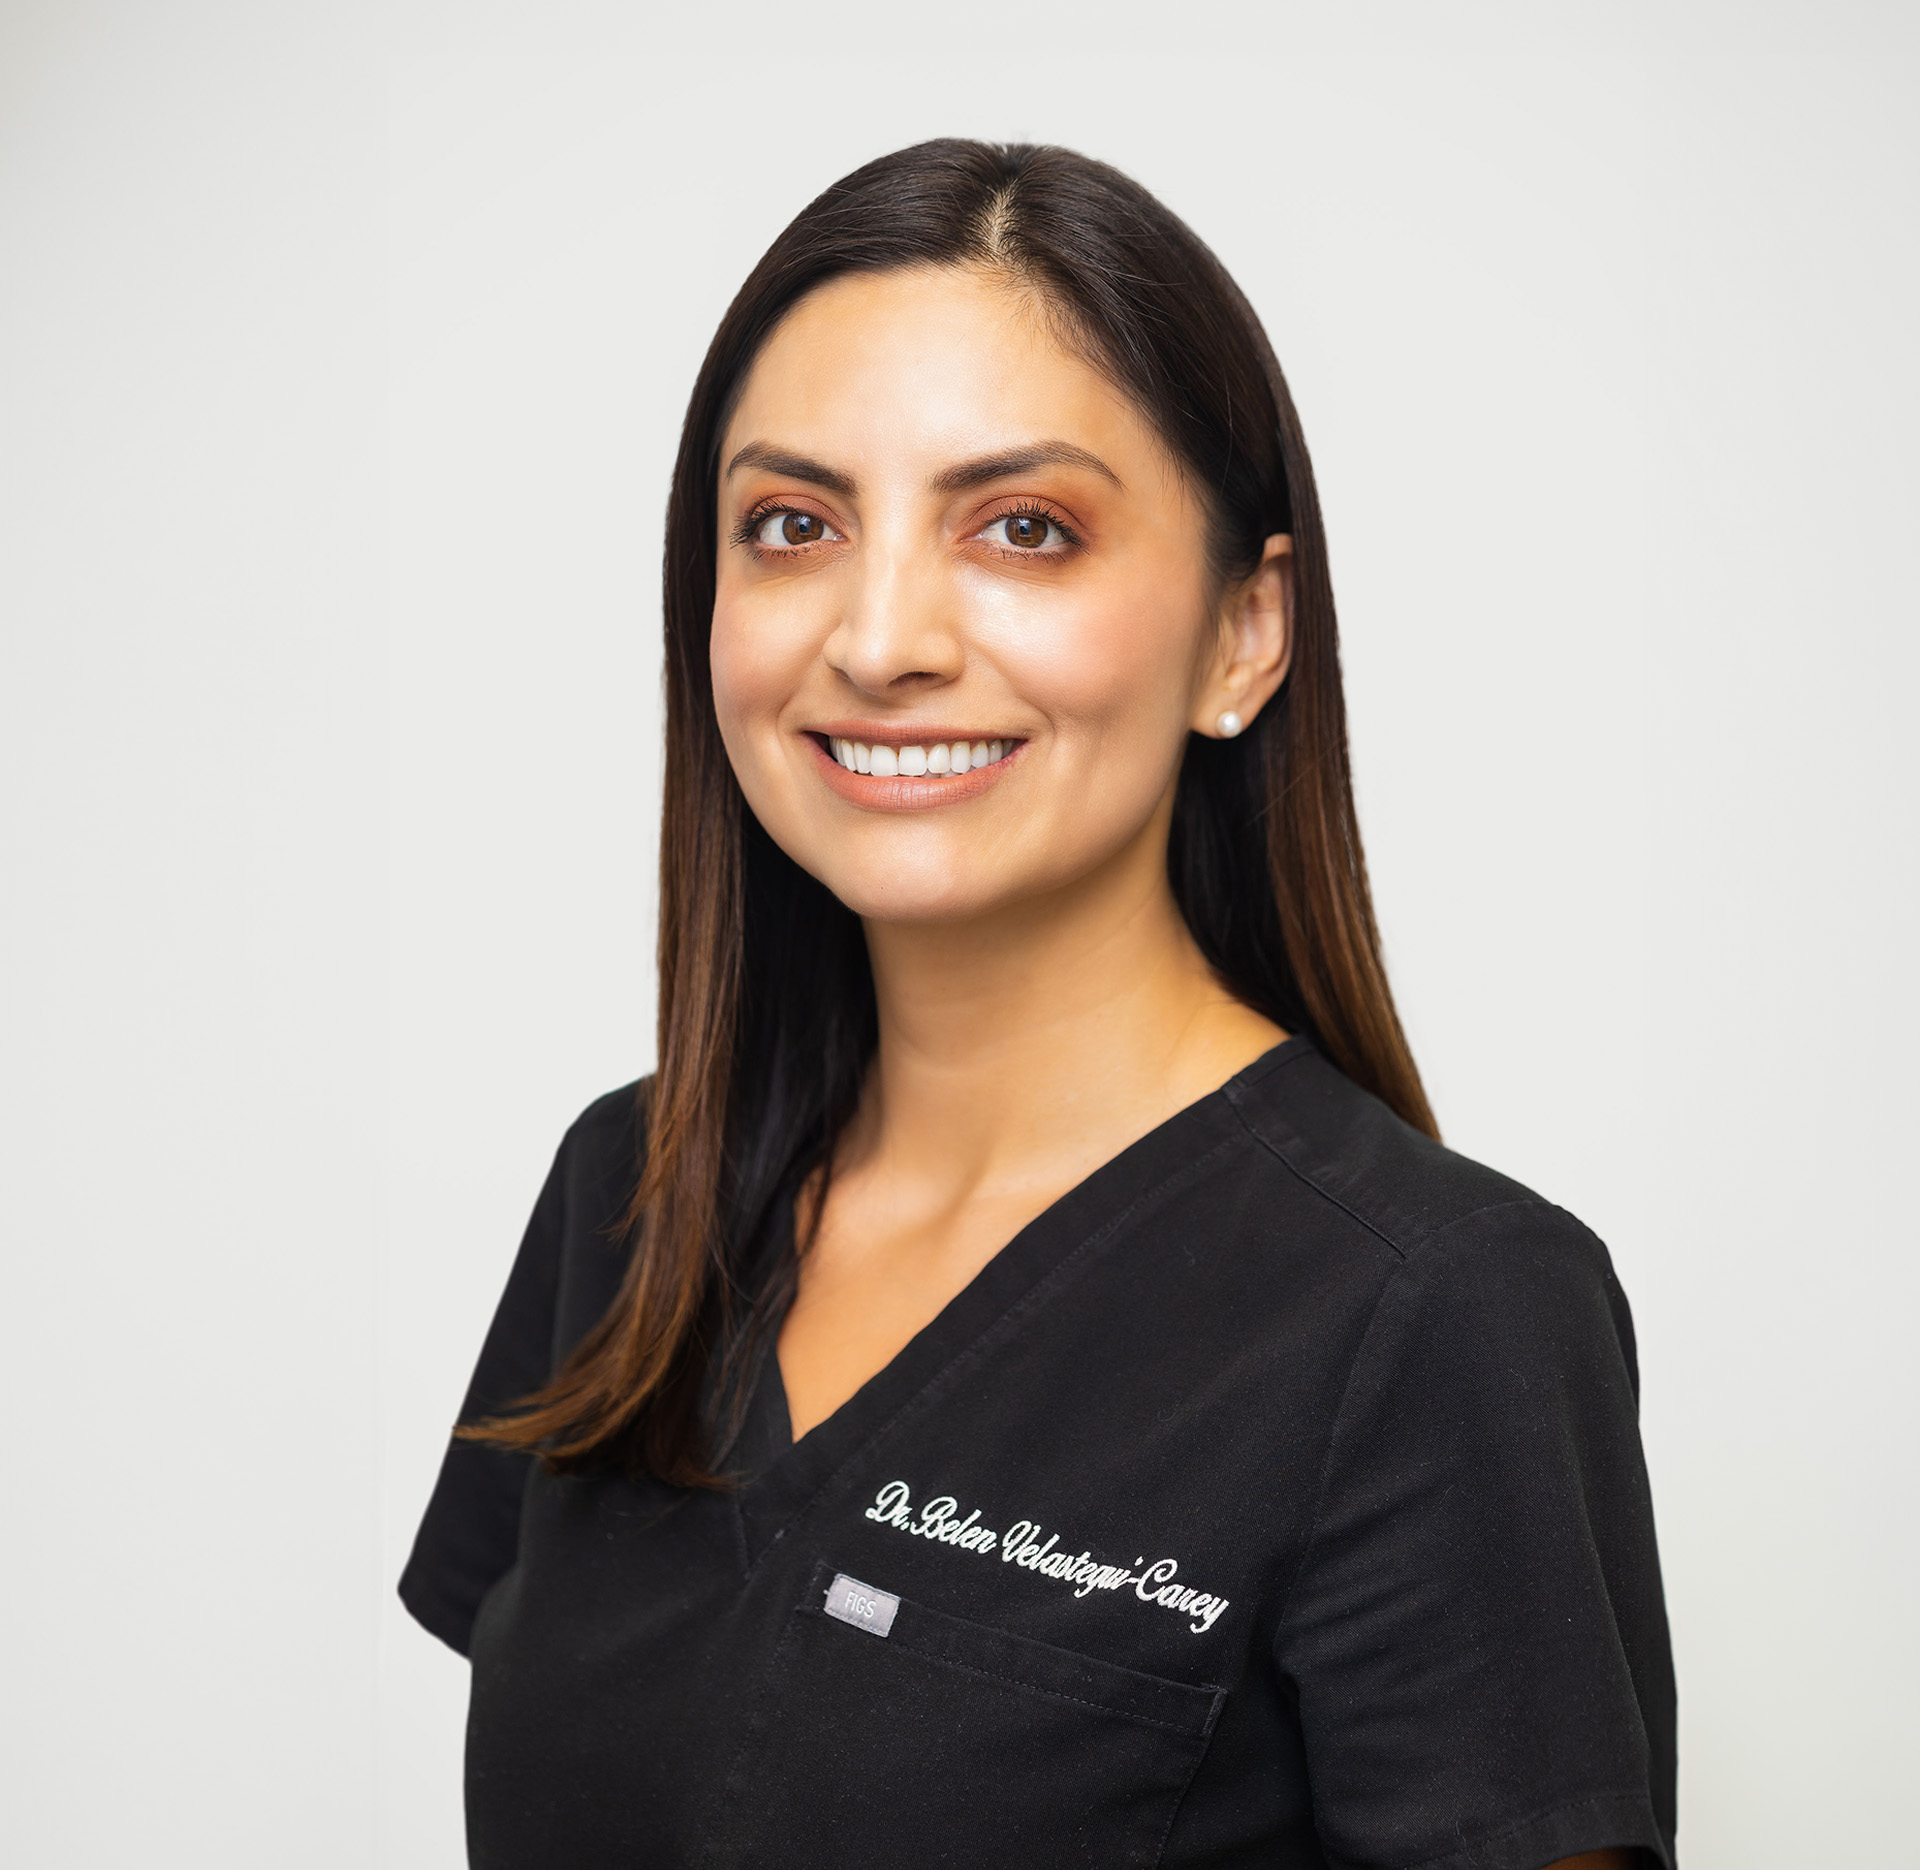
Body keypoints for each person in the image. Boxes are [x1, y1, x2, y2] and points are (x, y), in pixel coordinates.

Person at [400, 140, 1676, 1870]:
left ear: (1245, 631)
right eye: (794, 523)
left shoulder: (1437, 1318)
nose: (880, 634)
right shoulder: (633, 1190)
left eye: (1023, 527)